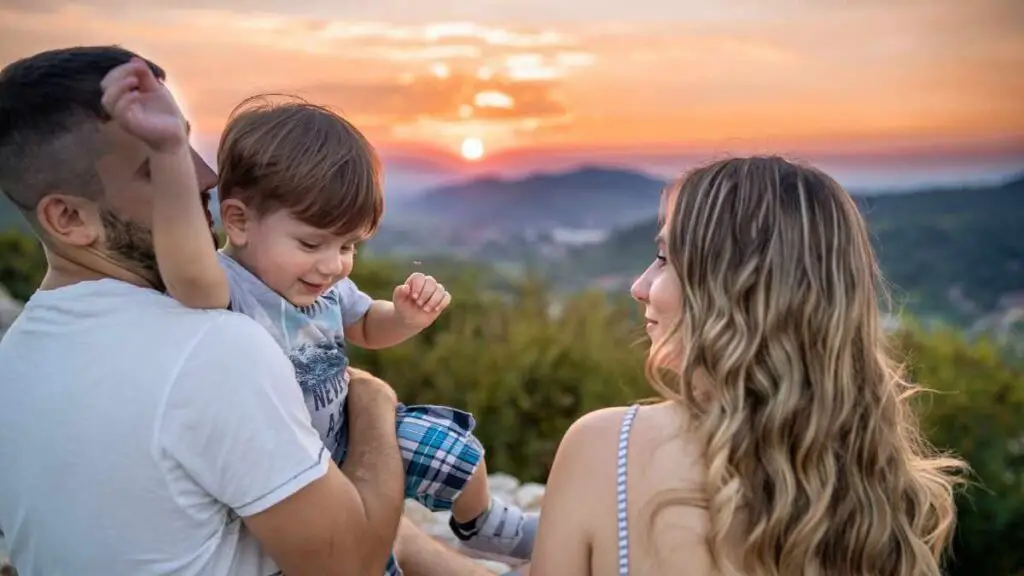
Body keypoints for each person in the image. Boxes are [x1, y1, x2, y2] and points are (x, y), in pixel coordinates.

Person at [0, 45, 499, 576]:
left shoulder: (16, 361)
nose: (206, 176)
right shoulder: (212, 343)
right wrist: (372, 397)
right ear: (70, 219)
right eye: (156, 165)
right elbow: (351, 564)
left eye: (185, 142)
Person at [529, 156, 966, 575]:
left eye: (665, 259)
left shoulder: (607, 447)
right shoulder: (879, 490)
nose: (639, 286)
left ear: (733, 291)